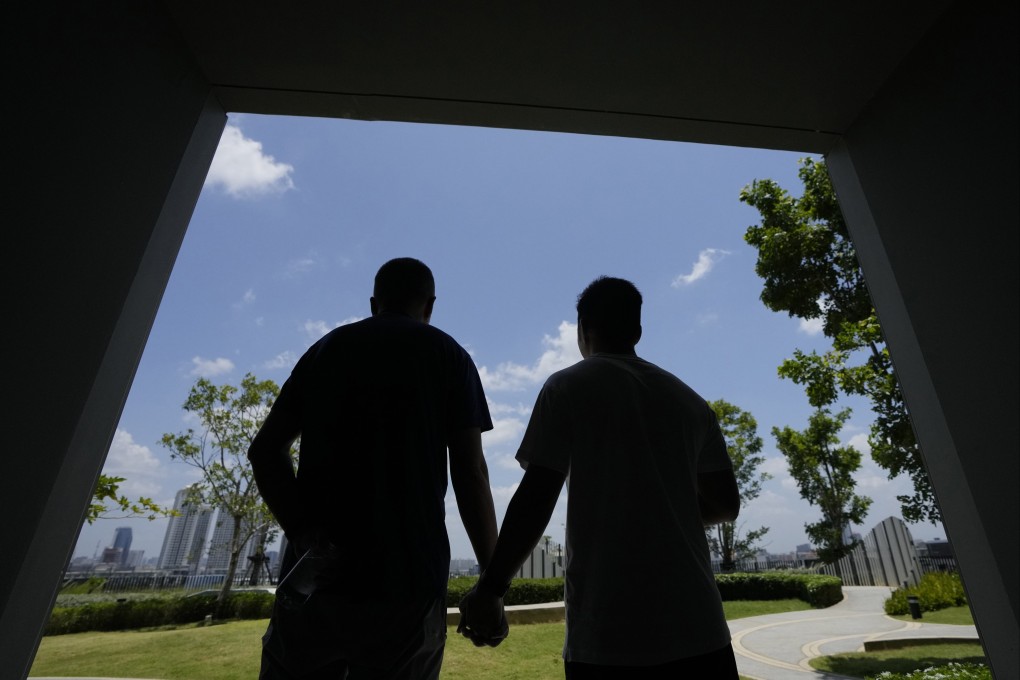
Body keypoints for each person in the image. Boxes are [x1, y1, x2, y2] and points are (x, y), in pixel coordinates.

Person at [457, 276, 741, 678]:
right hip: (701, 628)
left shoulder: (567, 387)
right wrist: (661, 501)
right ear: (638, 330)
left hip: (608, 632)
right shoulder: (690, 401)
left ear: (581, 330)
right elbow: (725, 505)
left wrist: (492, 587)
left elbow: (537, 495)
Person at [248, 257, 501, 679]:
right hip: (408, 583)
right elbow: (470, 474)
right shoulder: (448, 356)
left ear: (373, 302)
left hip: (317, 580)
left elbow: (264, 451)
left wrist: (302, 532)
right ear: (430, 305)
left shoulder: (326, 349)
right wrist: (492, 584)